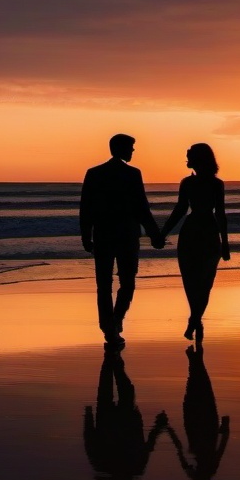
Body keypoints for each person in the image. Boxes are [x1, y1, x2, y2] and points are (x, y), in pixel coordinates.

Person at [79, 133, 164, 347]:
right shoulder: (133, 174)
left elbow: (86, 209)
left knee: (104, 284)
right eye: (131, 147)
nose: (133, 151)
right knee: (127, 282)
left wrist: (85, 234)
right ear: (122, 149)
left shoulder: (94, 173)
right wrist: (155, 234)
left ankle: (109, 326)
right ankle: (115, 321)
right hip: (126, 235)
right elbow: (142, 208)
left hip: (103, 235)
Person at [159, 143, 230, 343]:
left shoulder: (216, 184)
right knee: (191, 282)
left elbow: (221, 214)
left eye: (189, 156)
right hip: (196, 232)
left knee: (204, 282)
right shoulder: (187, 183)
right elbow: (180, 210)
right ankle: (196, 320)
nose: (187, 159)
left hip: (204, 232)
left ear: (199, 159)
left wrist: (225, 243)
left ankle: (194, 319)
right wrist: (163, 232)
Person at [83, 350, 168, 480]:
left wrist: (88, 416)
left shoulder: (102, 467)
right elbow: (148, 446)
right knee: (125, 389)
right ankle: (115, 357)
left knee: (110, 382)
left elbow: (90, 441)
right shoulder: (136, 467)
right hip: (127, 418)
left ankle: (112, 355)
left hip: (108, 419)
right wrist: (159, 425)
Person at [164, 345, 230, 480]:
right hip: (204, 427)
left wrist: (167, 428)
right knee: (200, 390)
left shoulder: (198, 470)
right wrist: (225, 428)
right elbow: (220, 448)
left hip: (198, 426)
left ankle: (195, 361)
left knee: (199, 390)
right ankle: (195, 360)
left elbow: (179, 450)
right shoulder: (208, 468)